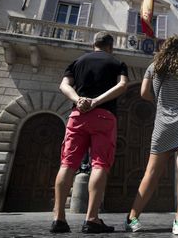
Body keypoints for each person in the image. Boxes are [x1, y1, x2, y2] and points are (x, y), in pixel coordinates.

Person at [50, 31, 129, 234]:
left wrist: (79, 100)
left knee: (67, 163)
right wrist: (97, 101)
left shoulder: (78, 62)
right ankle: (92, 219)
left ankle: (59, 218)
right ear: (111, 47)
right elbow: (122, 85)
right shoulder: (117, 63)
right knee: (100, 164)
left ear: (93, 44)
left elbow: (63, 85)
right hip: (104, 116)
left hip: (78, 115)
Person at [124, 35, 178, 235]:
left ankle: (133, 217)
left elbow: (143, 92)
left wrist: (158, 100)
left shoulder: (154, 66)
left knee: (151, 172)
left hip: (163, 121)